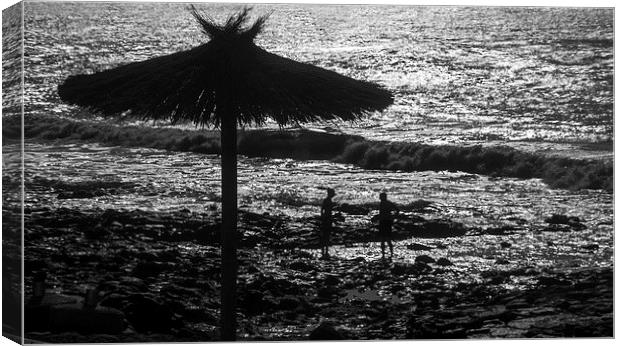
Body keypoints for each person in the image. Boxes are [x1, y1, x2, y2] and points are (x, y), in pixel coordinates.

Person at [378, 192, 399, 259]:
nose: (380, 198)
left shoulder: (386, 203)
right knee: (384, 238)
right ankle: (385, 254)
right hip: (384, 221)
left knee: (386, 238)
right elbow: (397, 210)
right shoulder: (384, 203)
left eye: (381, 196)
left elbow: (397, 210)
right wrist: (393, 217)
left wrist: (393, 217)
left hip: (386, 222)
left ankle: (389, 253)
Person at [320, 188, 336, 258]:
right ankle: (325, 251)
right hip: (328, 218)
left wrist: (322, 217)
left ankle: (324, 251)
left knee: (325, 234)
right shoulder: (328, 201)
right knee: (326, 234)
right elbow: (324, 210)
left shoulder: (326, 200)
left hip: (326, 218)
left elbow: (322, 210)